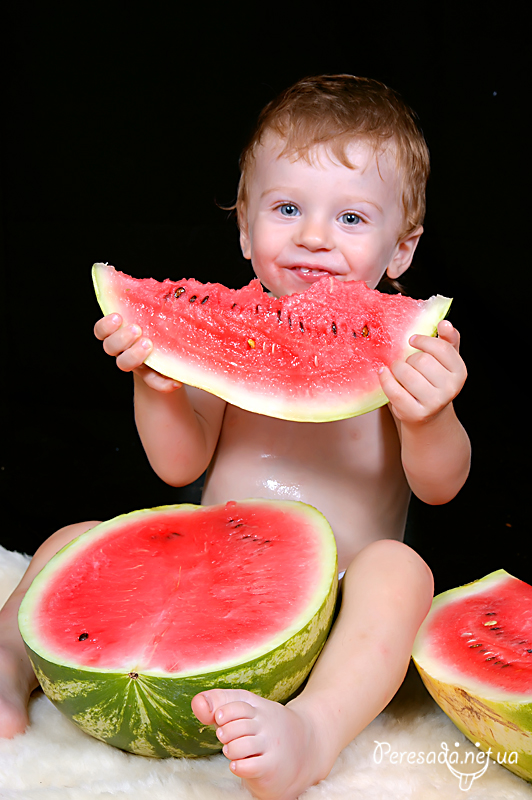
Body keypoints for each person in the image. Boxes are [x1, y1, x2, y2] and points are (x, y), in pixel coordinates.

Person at [0, 75, 470, 800]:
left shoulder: (408, 355)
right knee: (74, 538)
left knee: (400, 572)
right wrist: (156, 385)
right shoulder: (225, 337)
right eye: (287, 209)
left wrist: (429, 415)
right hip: (202, 587)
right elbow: (177, 466)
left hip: (333, 609)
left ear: (401, 249)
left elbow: (440, 487)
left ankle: (313, 729)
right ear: (247, 230)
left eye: (351, 217)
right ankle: (6, 666)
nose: (314, 236)